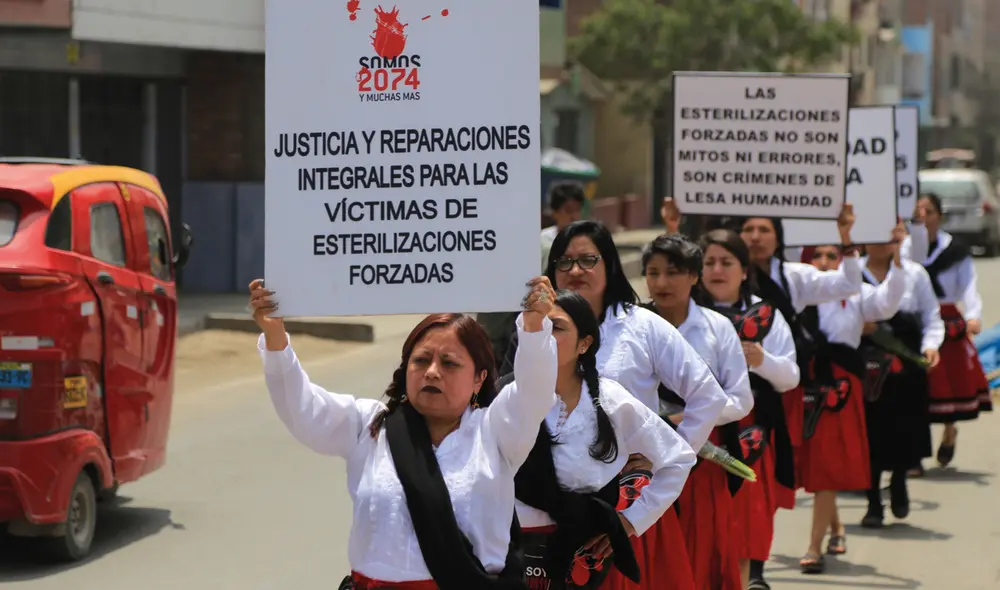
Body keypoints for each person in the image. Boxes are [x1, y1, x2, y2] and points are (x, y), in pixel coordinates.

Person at [249, 276, 559, 590]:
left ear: (479, 378)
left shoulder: (496, 431)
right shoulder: (370, 425)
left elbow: (535, 390)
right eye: (421, 360)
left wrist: (534, 328)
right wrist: (276, 337)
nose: (432, 371)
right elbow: (301, 407)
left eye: (449, 363)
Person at [502, 220, 730, 590]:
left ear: (610, 264)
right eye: (563, 262)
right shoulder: (530, 329)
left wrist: (662, 456)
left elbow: (708, 395)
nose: (574, 270)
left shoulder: (642, 325)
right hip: (537, 506)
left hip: (622, 506)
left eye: (588, 259)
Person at [512, 289, 697, 589]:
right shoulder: (510, 397)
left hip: (588, 555)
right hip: (517, 549)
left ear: (584, 343)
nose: (544, 335)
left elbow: (678, 459)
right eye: (538, 325)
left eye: (556, 327)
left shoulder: (612, 400)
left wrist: (631, 521)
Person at [735, 207, 863, 587]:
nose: (755, 236)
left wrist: (847, 240)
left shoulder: (794, 276)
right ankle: (750, 563)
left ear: (778, 237)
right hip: (729, 391)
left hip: (781, 386)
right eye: (748, 229)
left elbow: (848, 285)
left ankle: (757, 561)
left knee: (779, 472)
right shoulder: (720, 278)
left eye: (764, 229)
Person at [641, 233, 753, 590]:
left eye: (673, 272)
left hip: (702, 456)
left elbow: (741, 399)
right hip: (642, 459)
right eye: (653, 272)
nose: (661, 283)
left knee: (702, 550)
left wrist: (686, 420)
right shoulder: (632, 324)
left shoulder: (717, 327)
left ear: (694, 276)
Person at [796, 227, 906, 575]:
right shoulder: (797, 293)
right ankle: (836, 527)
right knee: (813, 464)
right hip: (800, 383)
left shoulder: (858, 293)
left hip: (839, 389)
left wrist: (899, 258)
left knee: (827, 465)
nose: (826, 262)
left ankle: (814, 547)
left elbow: (888, 304)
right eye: (819, 255)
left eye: (834, 255)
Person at [697, 228, 801, 590]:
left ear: (744, 270)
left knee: (743, 525)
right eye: (709, 262)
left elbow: (790, 376)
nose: (717, 270)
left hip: (749, 432)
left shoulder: (765, 316)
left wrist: (761, 359)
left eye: (727, 262)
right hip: (694, 431)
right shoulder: (683, 314)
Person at [902, 193, 990, 469]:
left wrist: (973, 316)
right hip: (914, 318)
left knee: (948, 382)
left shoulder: (956, 250)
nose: (923, 217)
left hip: (946, 316)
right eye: (918, 212)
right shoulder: (905, 248)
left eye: (928, 211)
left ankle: (950, 429)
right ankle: (914, 454)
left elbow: (968, 286)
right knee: (913, 386)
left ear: (939, 215)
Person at [860, 237, 943, 528]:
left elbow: (932, 316)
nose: (881, 244)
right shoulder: (850, 274)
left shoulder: (915, 273)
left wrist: (931, 347)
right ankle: (872, 502)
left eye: (889, 238)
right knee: (869, 432)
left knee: (903, 428)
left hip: (906, 365)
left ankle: (898, 480)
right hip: (866, 367)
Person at [479, 182, 586, 366]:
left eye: (577, 210)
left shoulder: (583, 241)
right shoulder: (540, 244)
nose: (573, 216)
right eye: (568, 209)